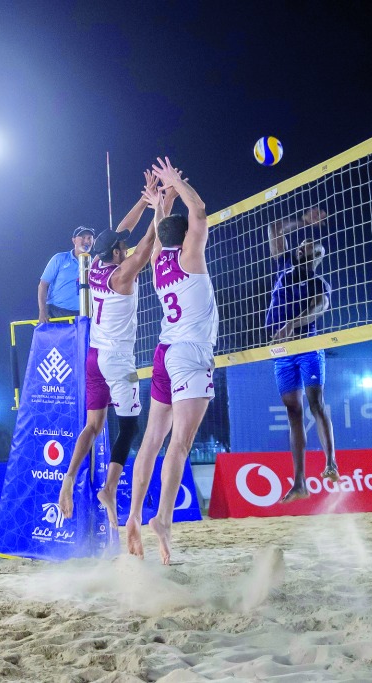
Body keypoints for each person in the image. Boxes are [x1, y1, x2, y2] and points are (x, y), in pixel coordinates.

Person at [58, 172, 175, 538]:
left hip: (94, 357)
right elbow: (147, 243)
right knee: (129, 427)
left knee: (93, 427)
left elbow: (123, 231)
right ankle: (109, 489)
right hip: (118, 363)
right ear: (116, 255)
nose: (125, 249)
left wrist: (143, 200)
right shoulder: (122, 275)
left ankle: (69, 478)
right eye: (121, 249)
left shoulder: (95, 264)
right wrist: (160, 207)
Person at [124, 157, 217, 565]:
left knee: (152, 439)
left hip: (163, 353)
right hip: (190, 355)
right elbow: (200, 212)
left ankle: (132, 514)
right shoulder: (190, 258)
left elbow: (165, 228)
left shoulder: (160, 261)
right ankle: (162, 518)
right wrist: (177, 183)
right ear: (188, 237)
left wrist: (161, 202)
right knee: (180, 443)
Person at [266, 208, 338, 502]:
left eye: (308, 246)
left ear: (316, 256)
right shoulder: (284, 265)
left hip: (307, 346)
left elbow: (319, 309)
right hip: (282, 352)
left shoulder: (319, 283)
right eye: (300, 244)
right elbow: (274, 228)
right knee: (293, 411)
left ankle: (331, 463)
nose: (301, 246)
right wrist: (302, 221)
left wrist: (291, 325)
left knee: (316, 403)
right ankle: (299, 483)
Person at [38, 226, 95, 322]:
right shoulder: (59, 259)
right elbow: (43, 285)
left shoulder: (94, 264)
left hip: (84, 314)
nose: (86, 241)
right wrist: (42, 311)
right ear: (74, 240)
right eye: (83, 237)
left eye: (89, 238)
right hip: (57, 313)